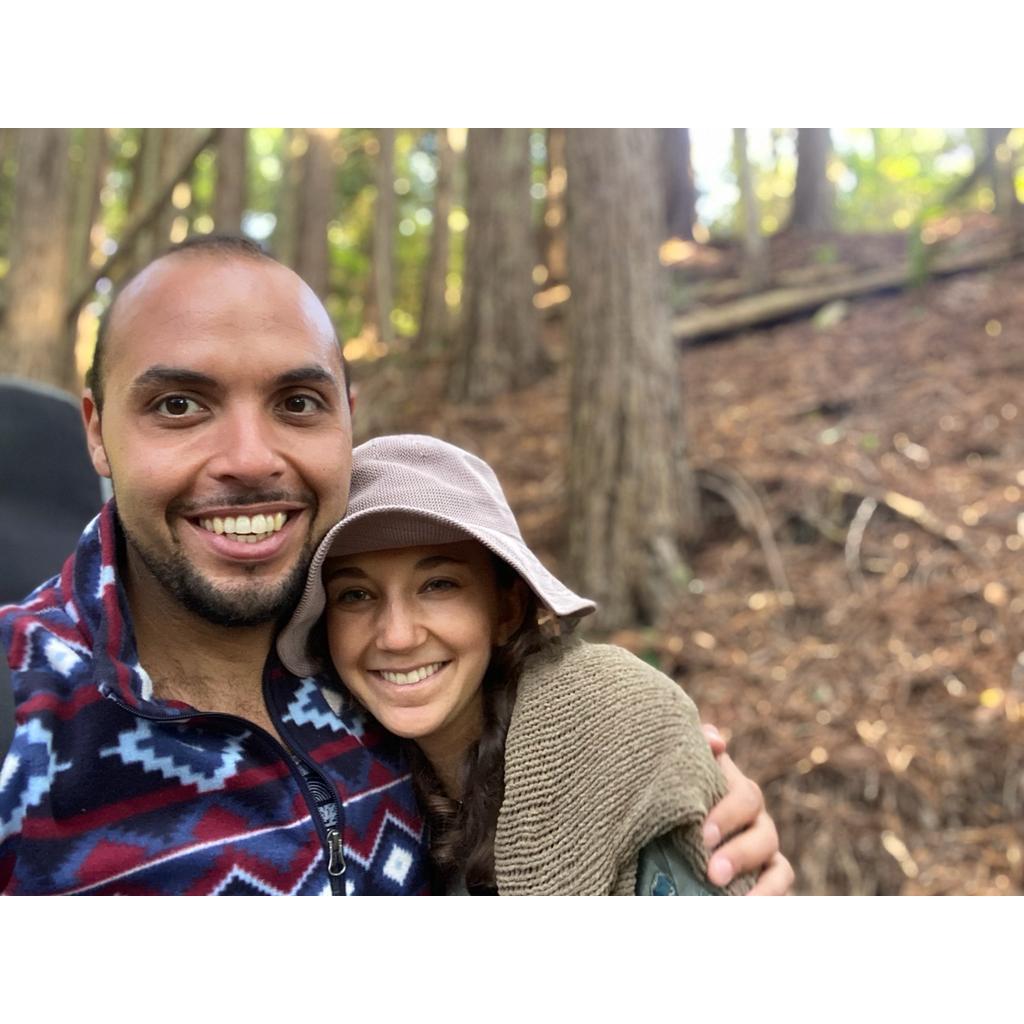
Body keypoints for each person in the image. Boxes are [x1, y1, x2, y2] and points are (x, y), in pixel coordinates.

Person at [0, 235, 791, 895]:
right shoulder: (25, 722)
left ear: (348, 418)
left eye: (297, 403)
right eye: (180, 405)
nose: (248, 458)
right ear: (99, 431)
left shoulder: (379, 673)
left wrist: (688, 823)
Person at [277, 434, 777, 895]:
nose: (398, 635)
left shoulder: (615, 719)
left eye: (439, 585)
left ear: (508, 608)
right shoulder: (343, 754)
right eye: (356, 594)